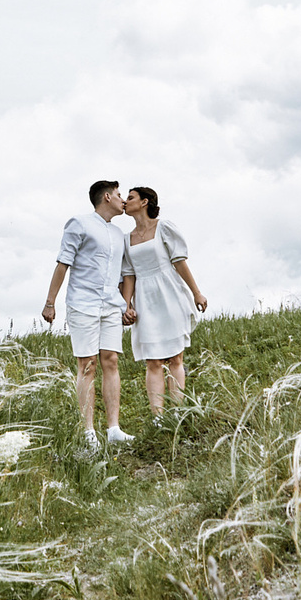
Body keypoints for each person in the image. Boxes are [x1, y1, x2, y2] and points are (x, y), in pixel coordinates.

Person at [41, 179, 138, 448]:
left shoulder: (119, 235)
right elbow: (63, 263)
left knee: (111, 361)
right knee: (87, 365)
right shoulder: (79, 223)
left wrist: (126, 305)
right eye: (119, 195)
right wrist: (51, 302)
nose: (123, 200)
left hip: (110, 306)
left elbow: (124, 274)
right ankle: (87, 432)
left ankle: (114, 429)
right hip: (83, 303)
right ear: (107, 197)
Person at [122, 185, 206, 415]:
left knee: (175, 356)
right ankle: (158, 416)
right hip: (145, 298)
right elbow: (128, 274)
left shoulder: (164, 227)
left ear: (144, 202)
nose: (125, 202)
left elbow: (179, 262)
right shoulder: (125, 239)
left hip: (169, 293)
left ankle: (178, 412)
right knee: (153, 361)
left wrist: (197, 292)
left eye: (130, 198)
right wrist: (126, 305)